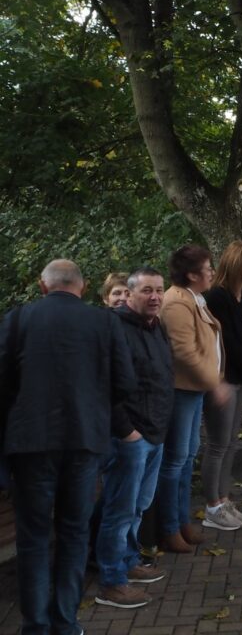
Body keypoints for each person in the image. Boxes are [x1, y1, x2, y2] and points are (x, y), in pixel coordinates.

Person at [0, 260, 134, 633]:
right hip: (84, 439)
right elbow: (125, 382)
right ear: (84, 287)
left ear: (43, 287)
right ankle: (66, 621)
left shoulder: (18, 319)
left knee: (33, 537)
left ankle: (35, 625)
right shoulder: (104, 322)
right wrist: (93, 407)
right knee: (74, 532)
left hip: (30, 443)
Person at [94, 267, 174, 609]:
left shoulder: (156, 326)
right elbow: (104, 385)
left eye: (158, 290)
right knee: (120, 510)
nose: (155, 296)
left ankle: (127, 561)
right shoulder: (114, 328)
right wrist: (127, 430)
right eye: (146, 291)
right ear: (130, 294)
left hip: (155, 432)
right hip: (129, 437)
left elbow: (161, 375)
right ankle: (111, 582)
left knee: (139, 506)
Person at [158, 244, 224, 552]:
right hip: (182, 390)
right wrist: (214, 382)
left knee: (187, 457)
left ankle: (182, 520)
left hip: (194, 390)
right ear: (192, 274)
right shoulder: (175, 302)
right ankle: (169, 527)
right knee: (176, 459)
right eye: (208, 269)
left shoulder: (194, 298)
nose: (212, 273)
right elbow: (183, 351)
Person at [204, 241, 242, 529]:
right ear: (237, 264)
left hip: (241, 380)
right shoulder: (217, 297)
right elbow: (227, 340)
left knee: (230, 443)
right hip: (224, 380)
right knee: (218, 444)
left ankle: (224, 498)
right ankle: (212, 506)